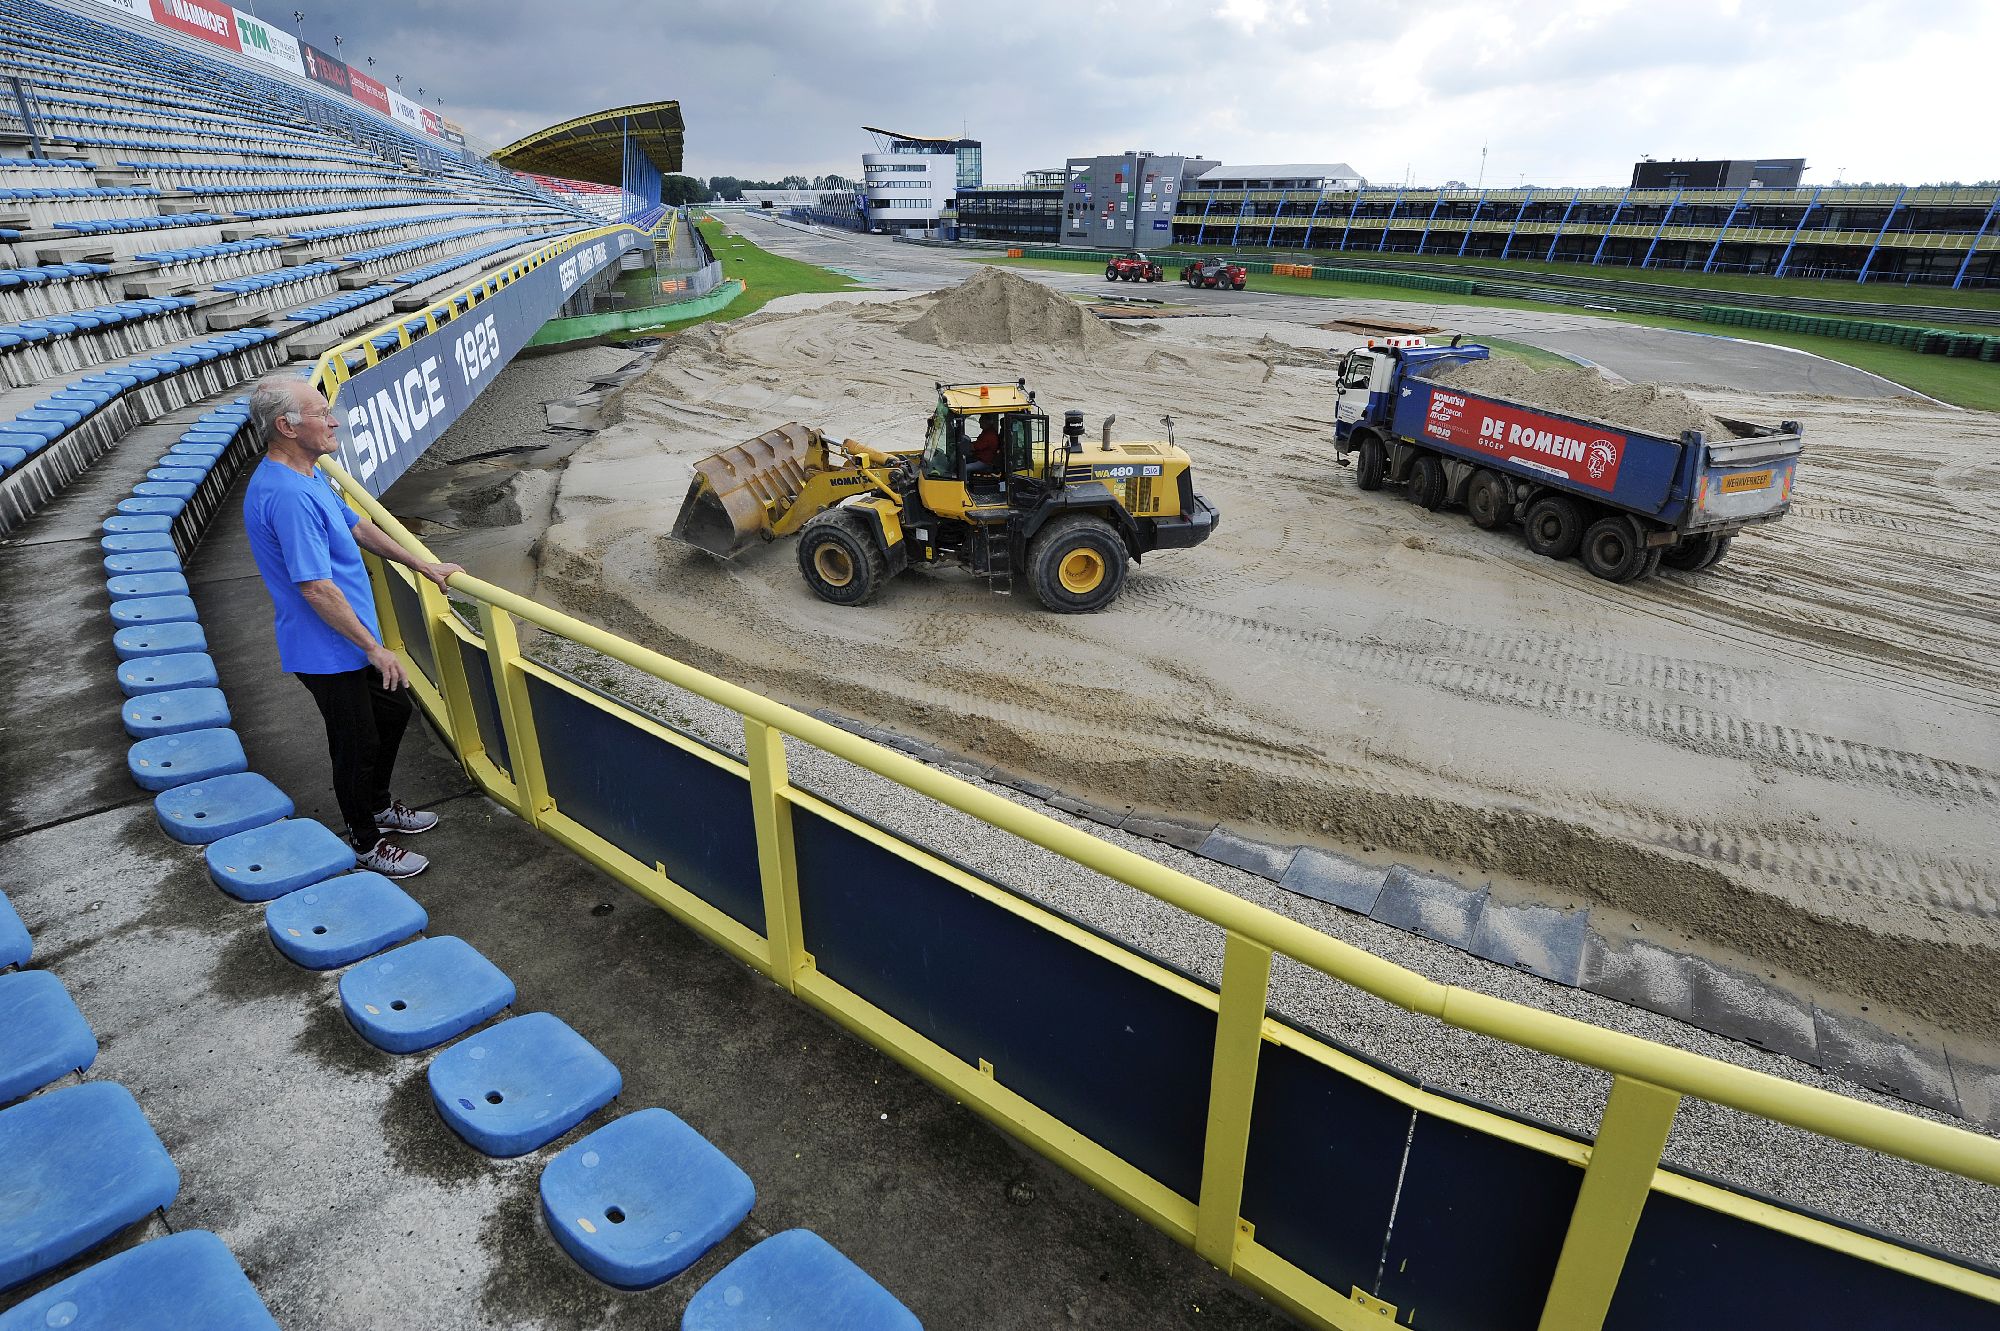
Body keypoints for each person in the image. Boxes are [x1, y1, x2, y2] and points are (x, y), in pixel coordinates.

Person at [241, 373, 463, 879]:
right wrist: (375, 647)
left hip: (348, 641)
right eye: (321, 413)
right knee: (354, 741)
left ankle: (380, 805)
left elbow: (356, 525)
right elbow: (315, 587)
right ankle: (366, 840)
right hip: (327, 646)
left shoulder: (307, 473)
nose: (332, 419)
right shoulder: (288, 495)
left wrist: (421, 565)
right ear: (287, 426)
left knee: (392, 712)